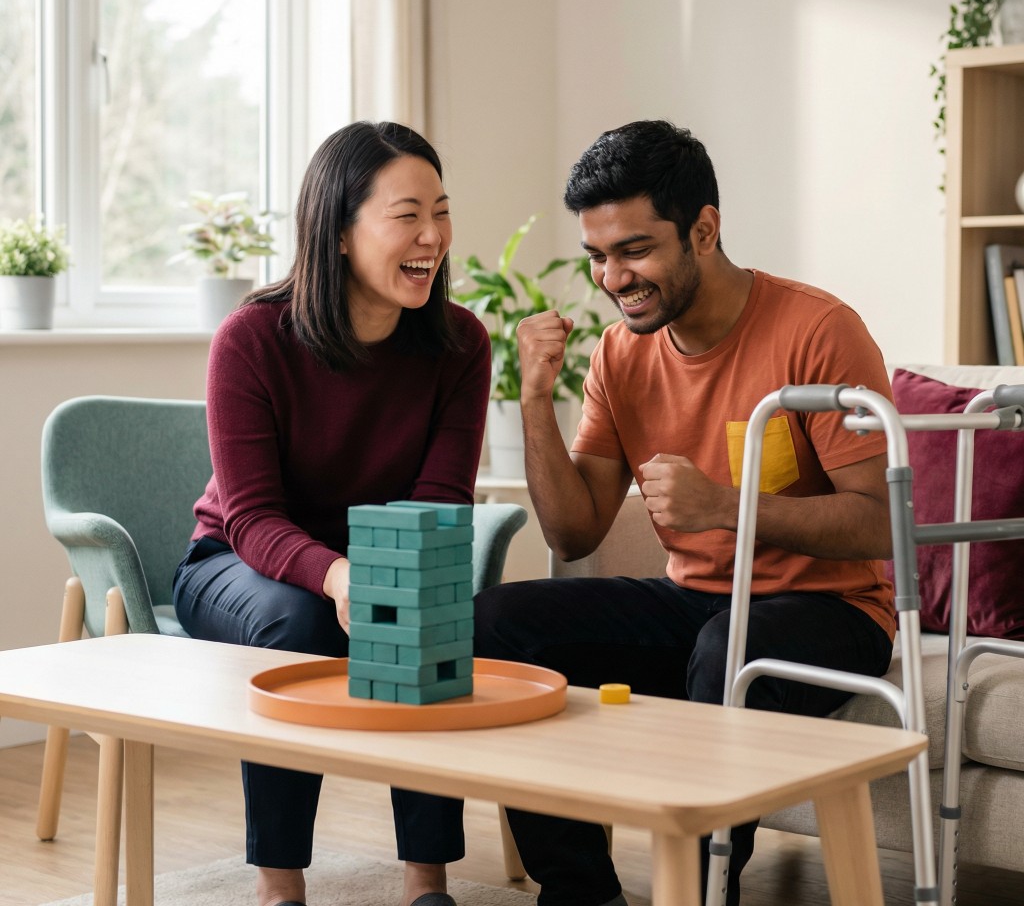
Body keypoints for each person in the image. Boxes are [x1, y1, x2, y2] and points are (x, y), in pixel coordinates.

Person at [472, 119, 896, 906]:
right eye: (598, 256)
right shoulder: (619, 353)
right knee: (496, 624)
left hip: (831, 609)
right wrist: (533, 399)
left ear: (705, 229)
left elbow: (877, 523)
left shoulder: (816, 329)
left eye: (634, 251)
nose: (612, 277)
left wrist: (726, 507)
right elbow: (574, 531)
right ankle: (582, 893)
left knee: (723, 650)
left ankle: (701, 897)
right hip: (697, 603)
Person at [173, 121, 490, 906]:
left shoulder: (460, 345)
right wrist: (339, 575)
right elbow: (249, 517)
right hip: (236, 566)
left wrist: (389, 580)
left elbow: (442, 500)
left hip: (374, 563)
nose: (432, 237)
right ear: (340, 232)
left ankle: (428, 884)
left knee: (424, 609)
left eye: (442, 212)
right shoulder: (252, 338)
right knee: (300, 625)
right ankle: (281, 885)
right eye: (407, 214)